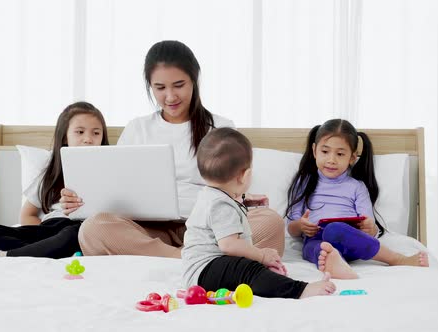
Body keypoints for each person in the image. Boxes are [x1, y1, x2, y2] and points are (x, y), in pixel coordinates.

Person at [62, 40, 285, 258]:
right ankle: (187, 257)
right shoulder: (137, 128)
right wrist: (82, 200)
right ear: (150, 86)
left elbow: (235, 186)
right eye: (160, 88)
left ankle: (183, 255)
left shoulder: (221, 128)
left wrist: (240, 195)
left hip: (211, 229)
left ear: (194, 80)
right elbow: (114, 189)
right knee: (93, 229)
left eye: (179, 85)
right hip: (149, 230)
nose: (170, 97)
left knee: (271, 222)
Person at [182, 127, 336, 299]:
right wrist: (261, 255)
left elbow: (228, 207)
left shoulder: (211, 195)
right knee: (249, 269)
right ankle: (299, 290)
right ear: (245, 175)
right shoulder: (220, 204)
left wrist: (245, 199)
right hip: (206, 269)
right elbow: (229, 245)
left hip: (208, 270)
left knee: (252, 271)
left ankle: (269, 281)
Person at [0, 102, 108, 258]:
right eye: (80, 132)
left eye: (96, 133)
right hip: (49, 228)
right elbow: (27, 215)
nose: (88, 139)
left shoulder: (107, 172)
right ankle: (49, 249)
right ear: (65, 137)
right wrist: (47, 238)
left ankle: (7, 256)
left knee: (73, 234)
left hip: (82, 229)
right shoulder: (50, 174)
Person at [285, 119, 429, 279]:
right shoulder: (304, 182)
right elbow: (291, 228)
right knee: (320, 249)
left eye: (340, 154)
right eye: (325, 152)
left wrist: (370, 228)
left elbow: (369, 226)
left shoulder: (357, 187)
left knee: (334, 229)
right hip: (314, 239)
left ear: (352, 158)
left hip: (347, 238)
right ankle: (334, 262)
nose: (331, 159)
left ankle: (397, 258)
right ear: (314, 151)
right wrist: (300, 226)